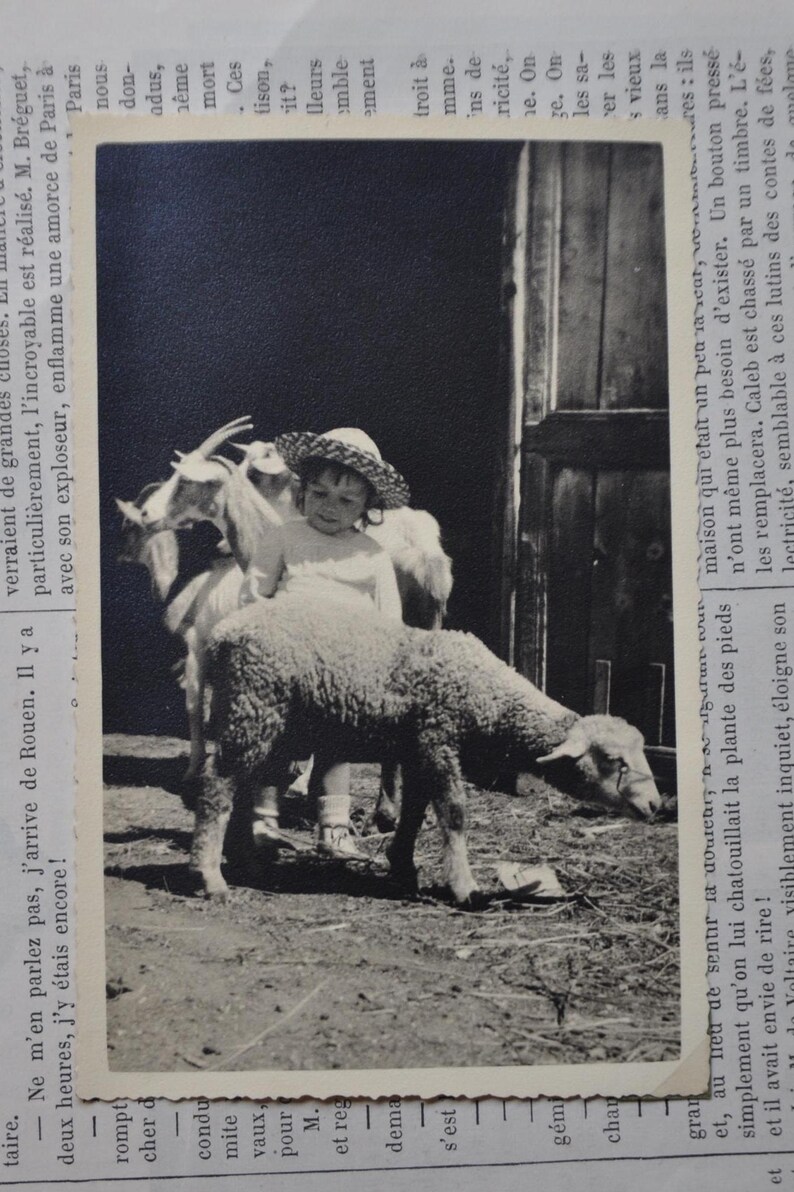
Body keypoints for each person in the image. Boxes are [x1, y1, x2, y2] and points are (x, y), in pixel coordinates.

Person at [240, 427, 410, 860]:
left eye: (347, 500)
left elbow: (389, 620)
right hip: (286, 660)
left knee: (335, 748)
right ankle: (264, 820)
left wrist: (380, 665)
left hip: (341, 672)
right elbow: (254, 594)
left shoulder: (372, 554)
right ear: (302, 491)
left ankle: (333, 829)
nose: (330, 507)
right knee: (276, 739)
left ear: (368, 505)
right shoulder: (285, 537)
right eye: (319, 493)